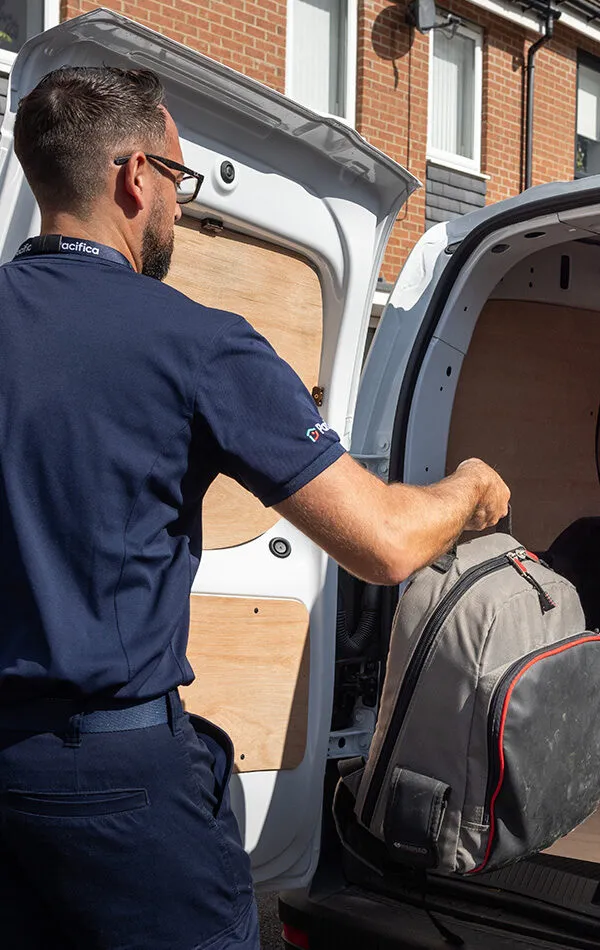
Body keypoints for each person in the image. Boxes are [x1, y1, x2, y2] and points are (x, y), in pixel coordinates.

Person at [0, 66, 510, 950]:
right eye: (179, 182)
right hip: (119, 791)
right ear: (134, 177)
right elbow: (384, 544)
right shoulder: (196, 343)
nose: (181, 209)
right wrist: (467, 491)